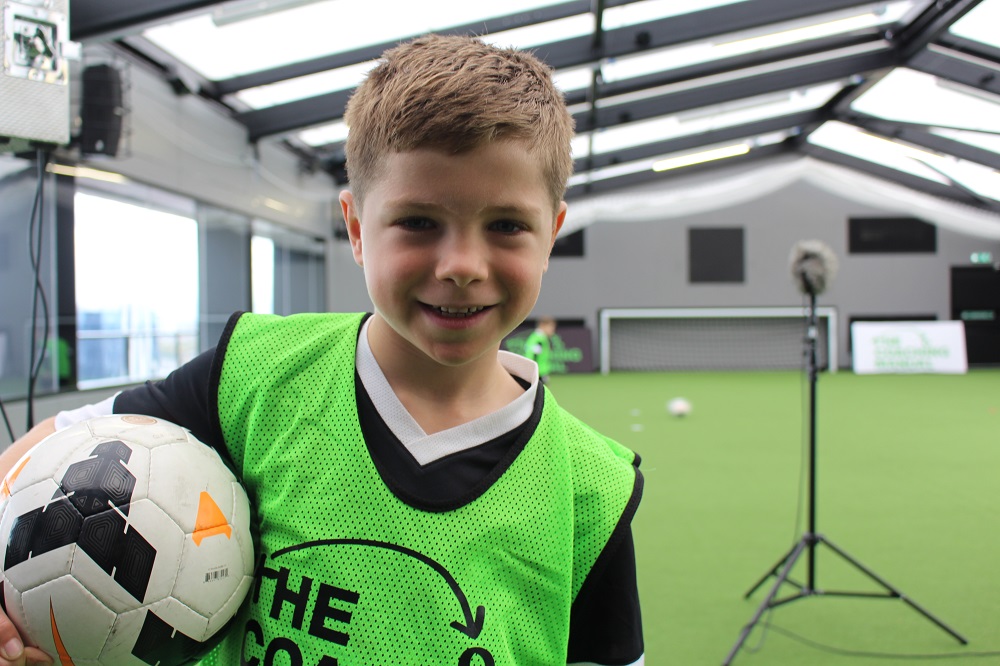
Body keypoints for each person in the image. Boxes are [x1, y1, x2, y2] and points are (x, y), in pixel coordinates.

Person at [0, 34, 644, 666]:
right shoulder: (255, 372)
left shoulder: (591, 489)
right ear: (358, 229)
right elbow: (48, 452)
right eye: (419, 222)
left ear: (551, 233)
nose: (462, 265)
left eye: (506, 225)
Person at [524, 316, 557, 384]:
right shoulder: (539, 339)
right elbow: (533, 355)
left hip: (537, 372)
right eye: (551, 327)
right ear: (543, 326)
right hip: (537, 373)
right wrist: (536, 373)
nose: (552, 330)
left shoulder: (536, 337)